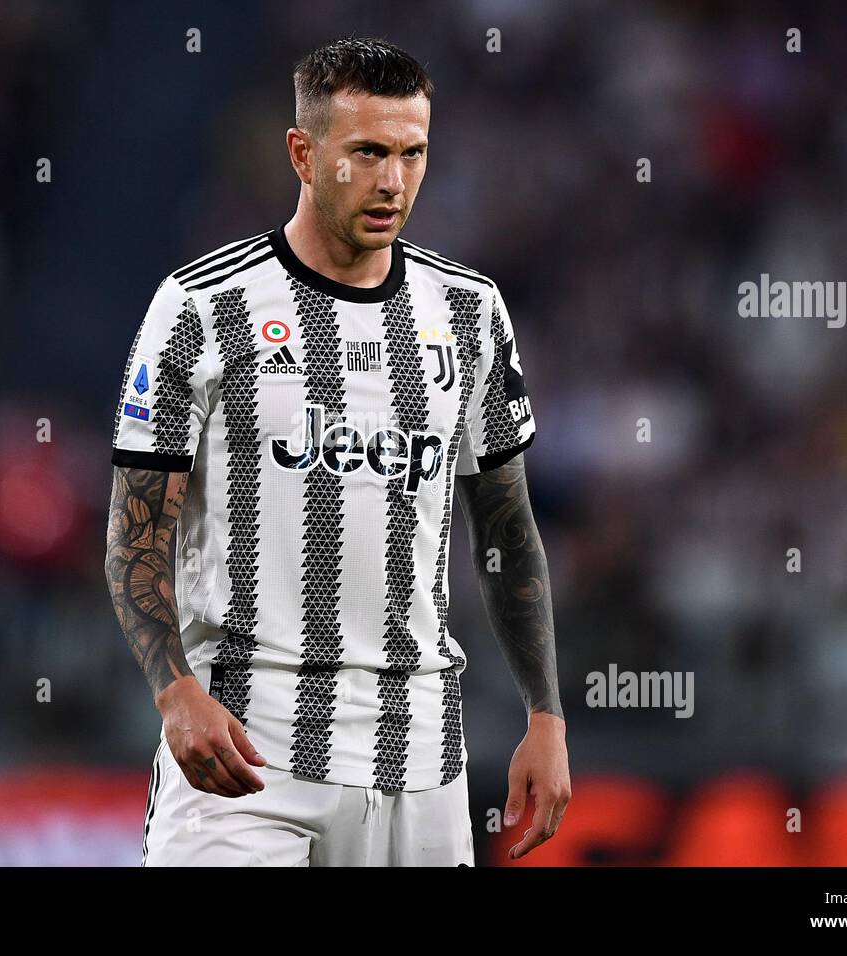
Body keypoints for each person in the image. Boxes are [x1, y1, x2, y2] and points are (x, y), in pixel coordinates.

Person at [105, 36, 570, 866]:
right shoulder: (201, 308)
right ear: (302, 152)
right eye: (367, 152)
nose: (393, 181)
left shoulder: (469, 313)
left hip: (420, 765)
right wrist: (174, 692)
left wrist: (546, 714)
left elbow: (506, 529)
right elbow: (136, 531)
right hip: (245, 757)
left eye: (412, 153)